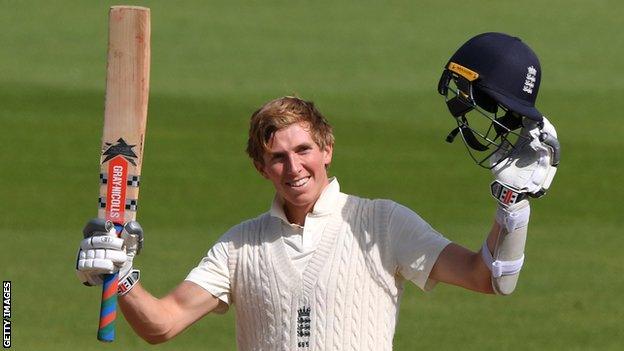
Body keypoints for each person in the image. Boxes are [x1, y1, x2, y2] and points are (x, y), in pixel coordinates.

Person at [76, 32, 560, 350]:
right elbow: (162, 323)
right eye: (278, 157)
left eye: (304, 149)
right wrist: (121, 277)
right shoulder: (239, 246)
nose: (294, 167)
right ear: (261, 166)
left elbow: (490, 277)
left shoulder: (383, 223)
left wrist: (511, 211)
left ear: (327, 148)